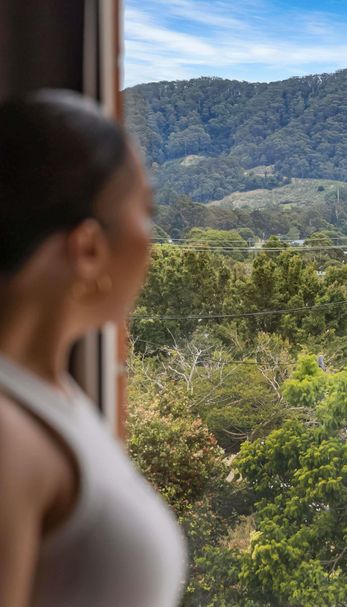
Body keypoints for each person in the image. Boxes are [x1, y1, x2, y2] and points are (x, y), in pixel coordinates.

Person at [0, 90, 185, 607]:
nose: (152, 239)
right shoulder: (7, 436)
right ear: (87, 247)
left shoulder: (47, 393)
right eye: (145, 212)